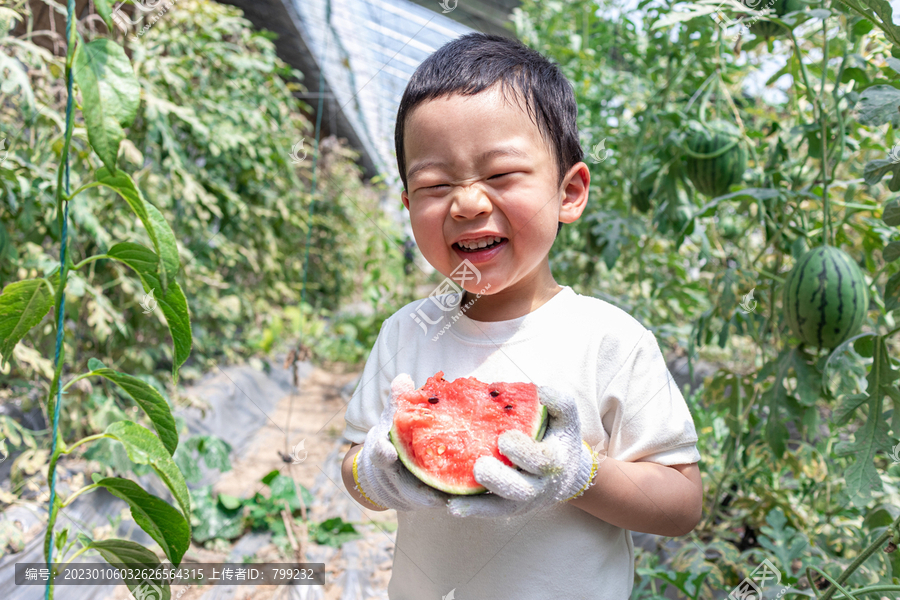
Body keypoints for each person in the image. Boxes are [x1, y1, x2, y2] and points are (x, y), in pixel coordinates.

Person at [340, 32, 702, 599]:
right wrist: (374, 472)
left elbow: (680, 507)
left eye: (501, 175)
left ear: (570, 192)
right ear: (408, 206)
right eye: (435, 185)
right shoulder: (405, 332)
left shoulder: (611, 339)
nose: (467, 203)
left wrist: (578, 474)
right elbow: (353, 462)